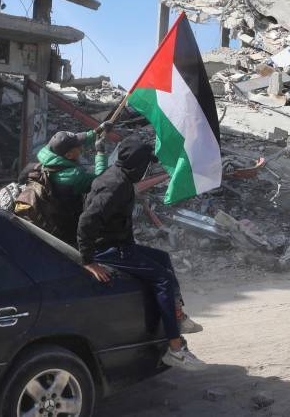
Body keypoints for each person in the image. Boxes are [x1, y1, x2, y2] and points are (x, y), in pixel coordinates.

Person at [77, 135, 206, 371]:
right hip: (107, 250)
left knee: (163, 259)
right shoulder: (115, 186)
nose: (148, 170)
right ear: (137, 165)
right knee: (163, 280)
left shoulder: (118, 176)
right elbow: (87, 221)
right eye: (146, 164)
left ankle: (177, 315)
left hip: (118, 244)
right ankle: (175, 349)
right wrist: (88, 260)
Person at [29, 123, 111, 245]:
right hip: (65, 222)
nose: (81, 149)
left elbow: (75, 140)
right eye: (78, 148)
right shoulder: (73, 176)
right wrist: (100, 154)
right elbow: (101, 180)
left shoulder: (47, 151)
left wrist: (97, 131)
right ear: (68, 155)